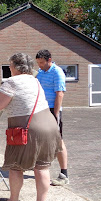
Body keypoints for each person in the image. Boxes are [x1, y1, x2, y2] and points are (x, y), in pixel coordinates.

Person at [0, 53, 61, 201]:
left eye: (10, 66)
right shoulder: (35, 80)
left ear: (15, 67)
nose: (9, 68)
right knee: (42, 166)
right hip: (49, 125)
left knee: (16, 166)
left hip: (27, 128)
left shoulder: (12, 82)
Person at [35, 49, 68, 186]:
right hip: (41, 109)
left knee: (58, 141)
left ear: (49, 60)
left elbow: (59, 94)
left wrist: (55, 114)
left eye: (42, 62)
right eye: (38, 63)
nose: (40, 65)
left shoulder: (57, 72)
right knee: (41, 139)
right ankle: (41, 168)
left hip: (51, 110)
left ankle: (64, 175)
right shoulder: (41, 72)